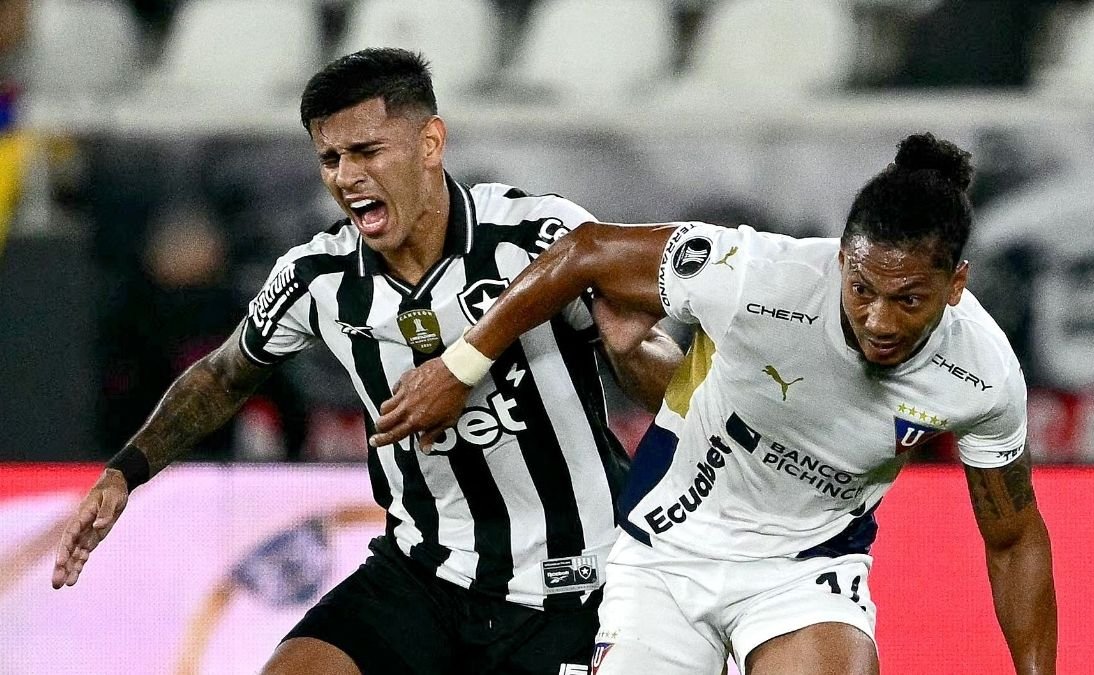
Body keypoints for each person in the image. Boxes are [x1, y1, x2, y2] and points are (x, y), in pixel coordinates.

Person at [51, 48, 682, 675]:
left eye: (367, 151)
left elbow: (667, 384)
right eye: (330, 157)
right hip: (424, 574)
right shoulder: (315, 277)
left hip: (574, 586)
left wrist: (631, 351)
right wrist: (125, 472)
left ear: (430, 142)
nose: (346, 176)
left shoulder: (537, 235)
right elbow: (224, 373)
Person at [375, 133, 1058, 674]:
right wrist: (462, 364)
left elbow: (1013, 536)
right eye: (861, 288)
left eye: (908, 299)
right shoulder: (757, 275)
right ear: (843, 258)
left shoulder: (982, 376)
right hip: (665, 550)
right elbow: (584, 252)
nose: (878, 319)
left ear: (957, 283)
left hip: (805, 567)